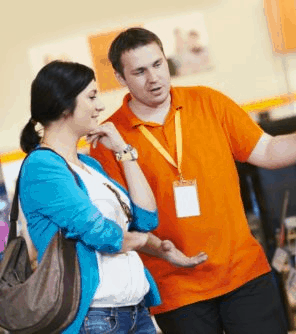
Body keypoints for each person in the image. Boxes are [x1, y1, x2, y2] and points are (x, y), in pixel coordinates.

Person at [90, 27, 296, 334]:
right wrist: (161, 250)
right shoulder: (109, 139)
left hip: (243, 272)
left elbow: (267, 150)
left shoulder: (209, 103)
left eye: (158, 64)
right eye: (139, 71)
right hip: (177, 290)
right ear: (121, 78)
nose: (154, 78)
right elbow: (120, 227)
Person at [18, 60, 208, 334]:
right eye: (92, 97)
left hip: (134, 311)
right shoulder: (42, 167)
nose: (100, 106)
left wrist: (123, 150)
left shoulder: (89, 166)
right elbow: (102, 234)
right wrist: (145, 242)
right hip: (93, 318)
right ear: (63, 104)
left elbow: (144, 218)